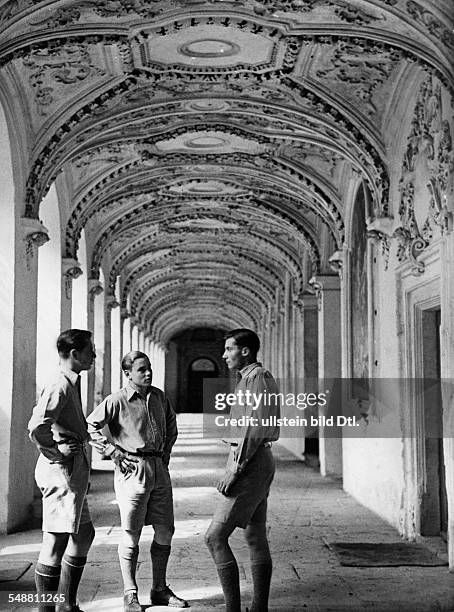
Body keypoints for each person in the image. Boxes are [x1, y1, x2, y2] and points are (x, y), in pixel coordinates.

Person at [86, 351, 188, 611]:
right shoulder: (117, 400)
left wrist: (165, 454)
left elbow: (171, 425)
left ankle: (159, 589)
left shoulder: (159, 397)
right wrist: (112, 451)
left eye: (149, 368)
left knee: (166, 529)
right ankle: (130, 593)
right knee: (132, 533)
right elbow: (91, 426)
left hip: (158, 468)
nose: (148, 373)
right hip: (133, 470)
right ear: (128, 373)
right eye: (141, 369)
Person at [205, 329, 280, 612]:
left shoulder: (256, 378)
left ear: (245, 351)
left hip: (250, 462)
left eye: (229, 349)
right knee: (254, 535)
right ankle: (258, 608)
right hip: (257, 459)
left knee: (214, 537)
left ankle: (233, 609)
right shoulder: (249, 379)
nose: (224, 355)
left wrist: (234, 471)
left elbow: (252, 429)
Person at [28, 329, 96, 612]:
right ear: (74, 353)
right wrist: (56, 452)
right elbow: (36, 426)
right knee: (54, 545)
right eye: (89, 350)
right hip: (61, 472)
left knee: (85, 534)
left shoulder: (71, 382)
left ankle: (66, 604)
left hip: (71, 471)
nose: (93, 355)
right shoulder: (60, 384)